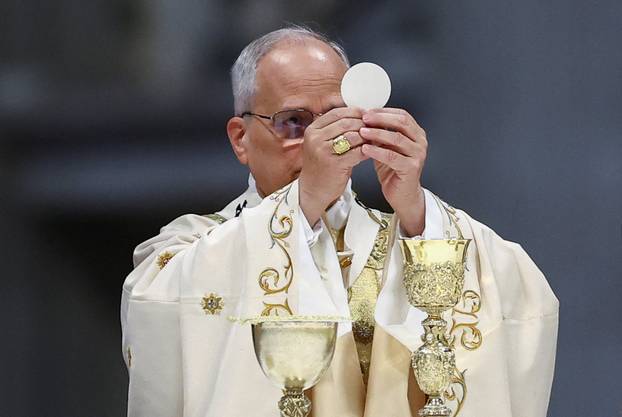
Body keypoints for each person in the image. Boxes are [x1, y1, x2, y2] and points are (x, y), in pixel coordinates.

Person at [120, 26, 559, 417]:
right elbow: (158, 305)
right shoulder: (194, 244)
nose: (319, 141)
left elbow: (519, 296)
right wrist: (306, 198)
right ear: (241, 138)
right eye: (294, 123)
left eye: (333, 119)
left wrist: (416, 208)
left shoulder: (413, 231)